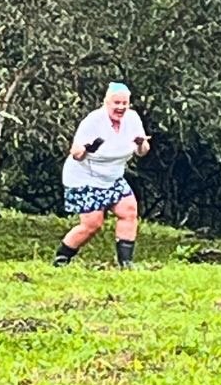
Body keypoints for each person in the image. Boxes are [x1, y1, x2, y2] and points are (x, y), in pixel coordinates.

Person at [53, 82, 151, 269]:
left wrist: (140, 143)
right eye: (116, 103)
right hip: (85, 177)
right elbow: (75, 152)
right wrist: (87, 148)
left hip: (112, 176)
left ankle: (126, 263)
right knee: (93, 224)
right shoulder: (93, 121)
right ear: (106, 102)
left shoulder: (132, 119)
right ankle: (62, 257)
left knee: (129, 211)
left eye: (125, 103)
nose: (121, 107)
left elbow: (143, 150)